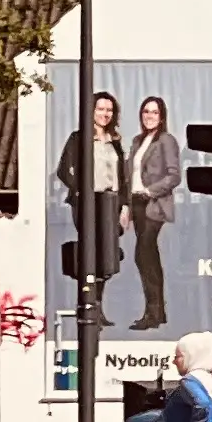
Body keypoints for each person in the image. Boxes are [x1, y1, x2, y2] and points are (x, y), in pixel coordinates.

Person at [57, 92, 126, 303]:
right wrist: (80, 189)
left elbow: (122, 177)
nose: (105, 114)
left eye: (109, 110)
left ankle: (98, 305)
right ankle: (88, 303)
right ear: (91, 111)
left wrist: (124, 206)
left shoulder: (115, 141)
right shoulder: (78, 138)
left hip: (110, 202)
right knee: (91, 252)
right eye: (100, 109)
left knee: (107, 255)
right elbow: (63, 170)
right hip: (88, 201)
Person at [126, 96, 185, 332]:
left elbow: (174, 176)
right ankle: (157, 313)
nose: (149, 116)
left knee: (144, 254)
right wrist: (127, 206)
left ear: (161, 117)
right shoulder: (137, 141)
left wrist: (151, 191)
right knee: (148, 257)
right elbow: (130, 175)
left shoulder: (166, 140)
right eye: (145, 112)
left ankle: (153, 313)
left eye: (154, 112)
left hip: (153, 203)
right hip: (136, 204)